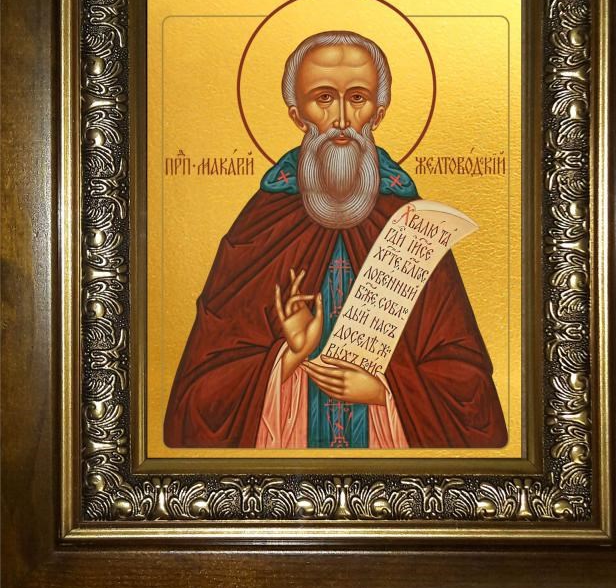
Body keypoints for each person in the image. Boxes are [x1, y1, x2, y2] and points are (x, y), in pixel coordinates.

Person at [164, 30, 507, 449]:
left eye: (358, 98)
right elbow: (198, 401)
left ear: (378, 113)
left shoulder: (412, 225)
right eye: (324, 98)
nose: (342, 119)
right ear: (297, 114)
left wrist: (386, 393)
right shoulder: (264, 223)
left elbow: (468, 387)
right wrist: (289, 356)